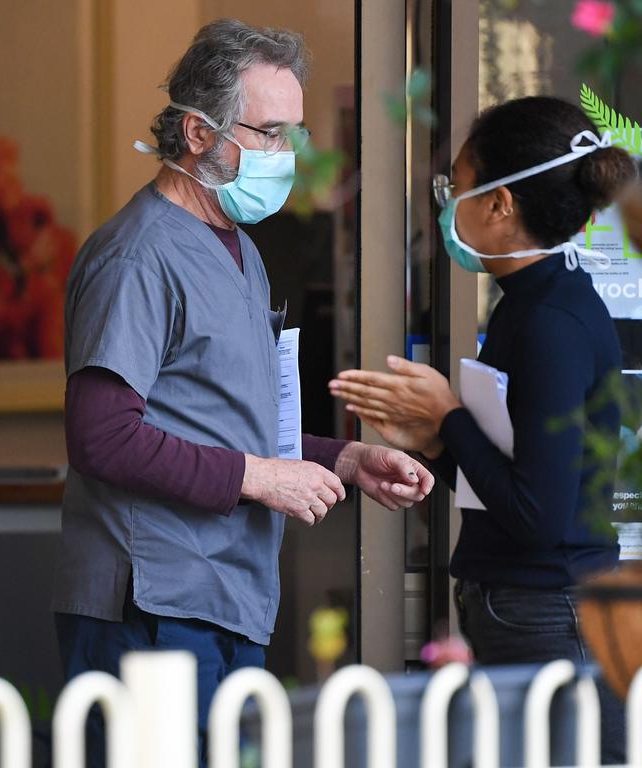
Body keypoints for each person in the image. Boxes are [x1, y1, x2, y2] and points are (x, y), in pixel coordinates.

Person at [53, 19, 433, 766]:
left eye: (295, 135)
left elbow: (231, 420)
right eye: (269, 134)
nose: (285, 156)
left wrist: (346, 459)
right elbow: (101, 436)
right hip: (152, 604)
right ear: (198, 132)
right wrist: (264, 479)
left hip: (224, 595)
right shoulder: (138, 255)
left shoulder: (239, 250)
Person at [329, 96, 636, 764]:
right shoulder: (530, 304)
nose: (447, 206)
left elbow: (538, 517)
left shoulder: (551, 322)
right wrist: (436, 443)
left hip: (552, 617)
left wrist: (448, 416)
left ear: (501, 207)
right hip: (530, 612)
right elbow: (512, 480)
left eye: (456, 188)